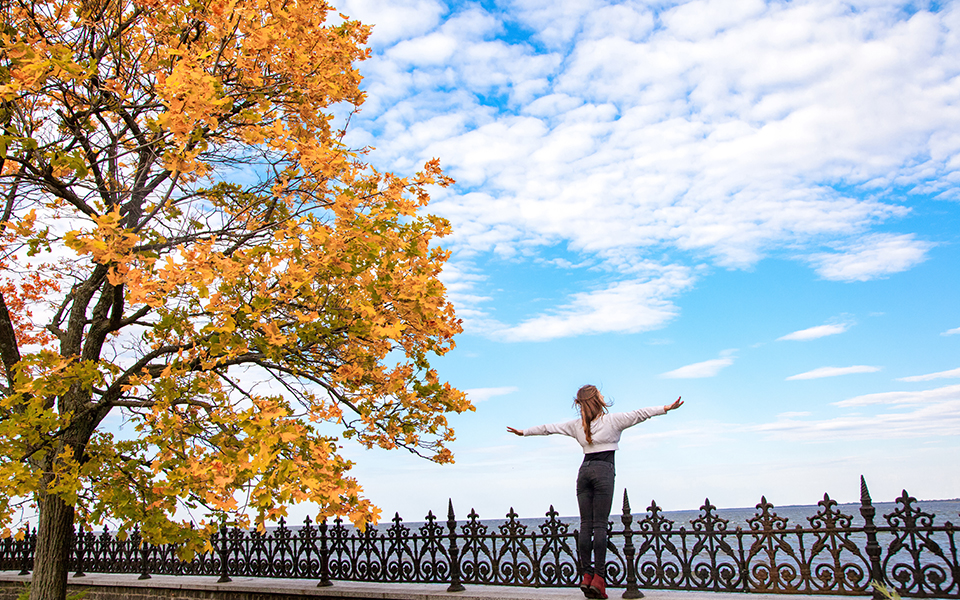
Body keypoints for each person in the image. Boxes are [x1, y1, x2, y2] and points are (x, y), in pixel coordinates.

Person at [507, 385, 683, 599]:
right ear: (597, 399)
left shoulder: (576, 425)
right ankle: (599, 578)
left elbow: (548, 428)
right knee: (599, 525)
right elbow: (641, 414)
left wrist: (524, 432)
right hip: (603, 470)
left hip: (584, 472)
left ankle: (586, 575)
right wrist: (666, 408)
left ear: (580, 403)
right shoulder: (612, 420)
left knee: (585, 525)